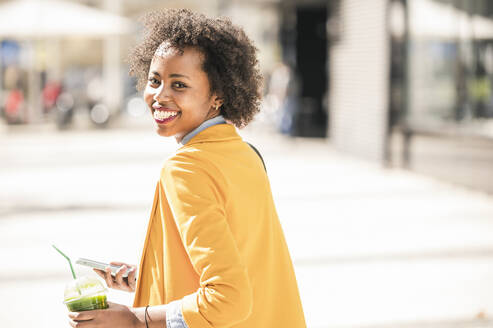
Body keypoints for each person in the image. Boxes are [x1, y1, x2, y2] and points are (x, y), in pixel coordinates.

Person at [68, 8, 306, 328]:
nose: (159, 96)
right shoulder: (246, 153)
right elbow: (242, 264)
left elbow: (229, 299)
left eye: (178, 85)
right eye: (155, 80)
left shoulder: (186, 168)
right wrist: (149, 276)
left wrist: (136, 320)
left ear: (218, 95)